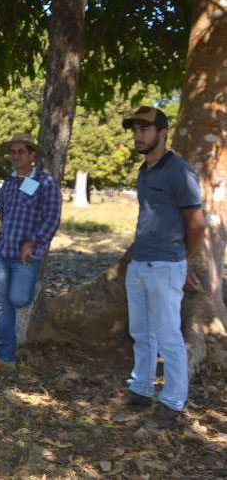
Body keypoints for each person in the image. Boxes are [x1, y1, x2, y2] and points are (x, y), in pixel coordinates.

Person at [121, 106, 205, 427]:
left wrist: (184, 259)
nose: (138, 135)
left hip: (166, 265)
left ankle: (172, 401)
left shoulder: (179, 171)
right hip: (139, 262)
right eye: (135, 129)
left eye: (144, 129)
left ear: (162, 132)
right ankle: (141, 387)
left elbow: (196, 223)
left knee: (168, 335)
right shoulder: (145, 169)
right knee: (140, 331)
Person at [0, 133, 61, 370]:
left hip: (26, 257)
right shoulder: (8, 183)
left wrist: (34, 241)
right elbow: (4, 213)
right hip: (3, 251)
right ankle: (5, 354)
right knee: (3, 304)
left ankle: (32, 291)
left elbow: (52, 218)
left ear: (32, 155)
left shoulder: (45, 182)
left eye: (21, 151)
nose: (16, 156)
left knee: (18, 298)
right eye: (13, 151)